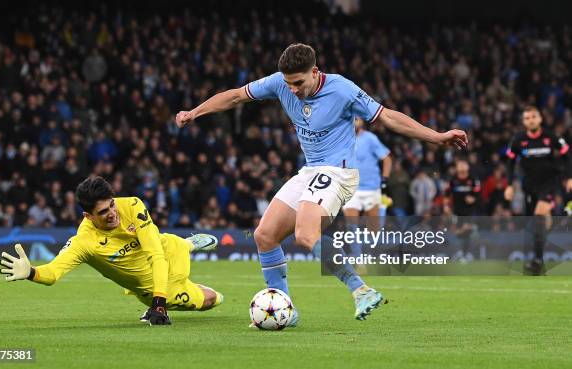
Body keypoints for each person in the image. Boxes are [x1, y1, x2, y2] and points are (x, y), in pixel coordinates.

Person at [176, 43, 467, 322]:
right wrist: (194, 112)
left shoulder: (343, 89)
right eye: (289, 83)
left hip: (339, 174)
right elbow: (236, 96)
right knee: (264, 235)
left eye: (298, 83)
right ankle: (284, 311)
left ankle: (361, 289)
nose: (292, 90)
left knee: (305, 233)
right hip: (310, 172)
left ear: (315, 72)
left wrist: (437, 136)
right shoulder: (280, 82)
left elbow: (388, 117)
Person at [0, 176, 223, 326]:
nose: (113, 213)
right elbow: (53, 273)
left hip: (164, 251)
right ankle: (187, 278)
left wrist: (159, 304)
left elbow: (156, 254)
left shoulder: (133, 205)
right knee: (213, 299)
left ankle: (190, 243)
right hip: (150, 284)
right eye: (104, 211)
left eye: (112, 205)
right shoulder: (84, 242)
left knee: (170, 244)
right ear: (88, 216)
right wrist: (31, 273)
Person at [504, 106, 572, 275]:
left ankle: (536, 261)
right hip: (529, 186)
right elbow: (510, 162)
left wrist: (569, 177)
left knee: (539, 216)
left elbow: (567, 154)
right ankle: (538, 259)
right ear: (523, 121)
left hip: (549, 182)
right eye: (527, 118)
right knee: (536, 223)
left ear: (540, 118)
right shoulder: (518, 140)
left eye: (534, 116)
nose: (531, 120)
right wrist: (509, 184)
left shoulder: (550, 136)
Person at [342, 117, 391, 263]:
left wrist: (384, 181)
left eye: (357, 119)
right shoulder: (341, 139)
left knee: (374, 231)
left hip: (371, 188)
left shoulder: (370, 139)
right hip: (351, 189)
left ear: (362, 122)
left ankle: (382, 208)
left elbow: (387, 159)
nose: (354, 122)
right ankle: (359, 261)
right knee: (351, 226)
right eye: (352, 119)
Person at [444, 159, 482, 261]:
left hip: (470, 211)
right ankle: (460, 253)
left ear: (467, 167)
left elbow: (478, 194)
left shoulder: (473, 179)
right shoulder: (453, 180)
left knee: (467, 231)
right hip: (457, 211)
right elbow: (447, 194)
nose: (461, 167)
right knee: (458, 232)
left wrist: (473, 198)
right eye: (459, 165)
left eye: (463, 164)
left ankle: (467, 254)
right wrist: (446, 206)